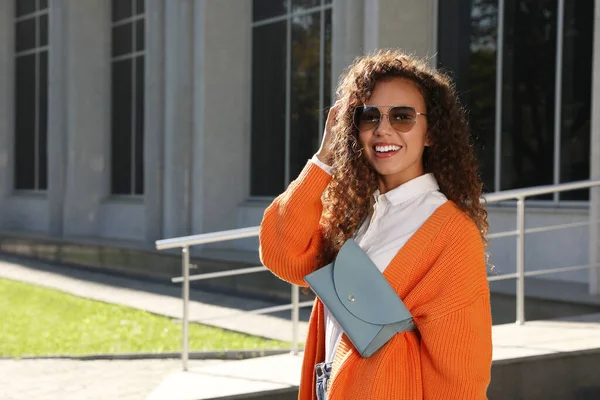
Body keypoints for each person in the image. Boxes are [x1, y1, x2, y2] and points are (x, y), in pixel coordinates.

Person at [259, 49, 493, 400]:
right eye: (369, 117)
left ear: (431, 133)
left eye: (402, 117)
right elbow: (282, 254)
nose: (383, 129)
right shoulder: (357, 216)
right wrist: (325, 159)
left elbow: (460, 372)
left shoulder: (450, 232)